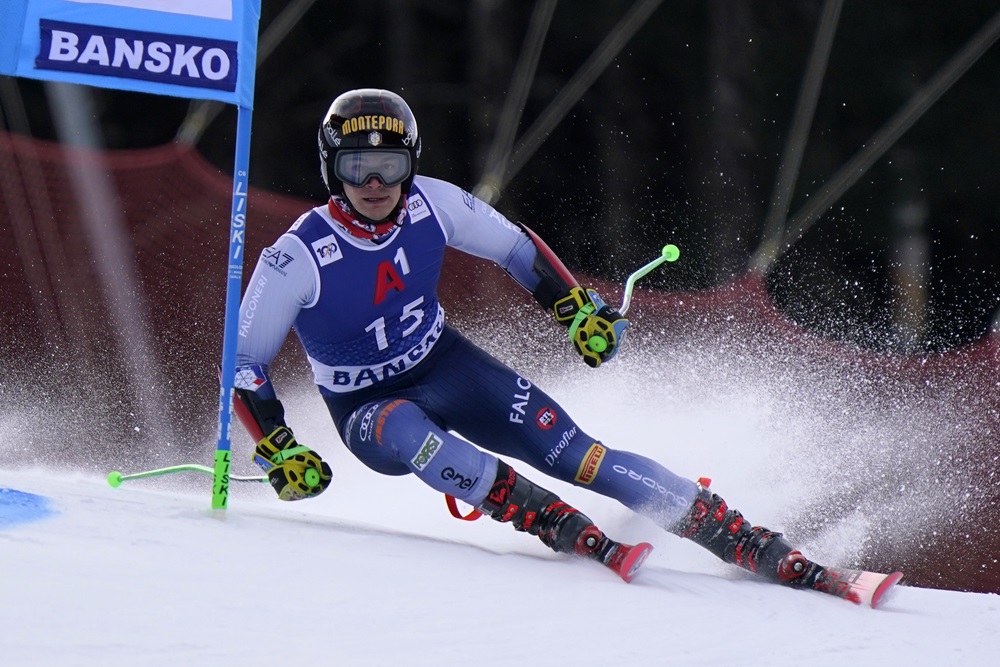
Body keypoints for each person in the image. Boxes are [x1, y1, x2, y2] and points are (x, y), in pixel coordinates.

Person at [233, 88, 822, 588]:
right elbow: (243, 363)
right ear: (331, 169)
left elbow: (516, 247)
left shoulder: (433, 204)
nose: (377, 182)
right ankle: (550, 519)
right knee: (411, 432)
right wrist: (279, 446)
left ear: (412, 162)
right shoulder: (297, 256)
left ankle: (740, 537)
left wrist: (575, 311)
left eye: (390, 163)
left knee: (576, 453)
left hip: (445, 365)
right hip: (367, 407)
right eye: (358, 166)